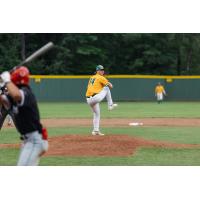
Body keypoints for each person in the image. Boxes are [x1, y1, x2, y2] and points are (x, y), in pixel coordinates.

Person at [0, 66, 48, 166]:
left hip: (35, 141)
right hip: (29, 141)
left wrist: (7, 81)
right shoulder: (15, 96)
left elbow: (17, 95)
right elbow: (3, 100)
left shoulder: (26, 93)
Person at [86, 65, 118, 136]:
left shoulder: (92, 77)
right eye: (100, 70)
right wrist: (109, 83)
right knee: (106, 88)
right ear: (97, 71)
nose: (102, 71)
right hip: (95, 98)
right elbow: (111, 86)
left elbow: (93, 87)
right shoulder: (101, 77)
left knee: (96, 114)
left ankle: (95, 131)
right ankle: (110, 105)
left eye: (103, 70)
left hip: (88, 99)